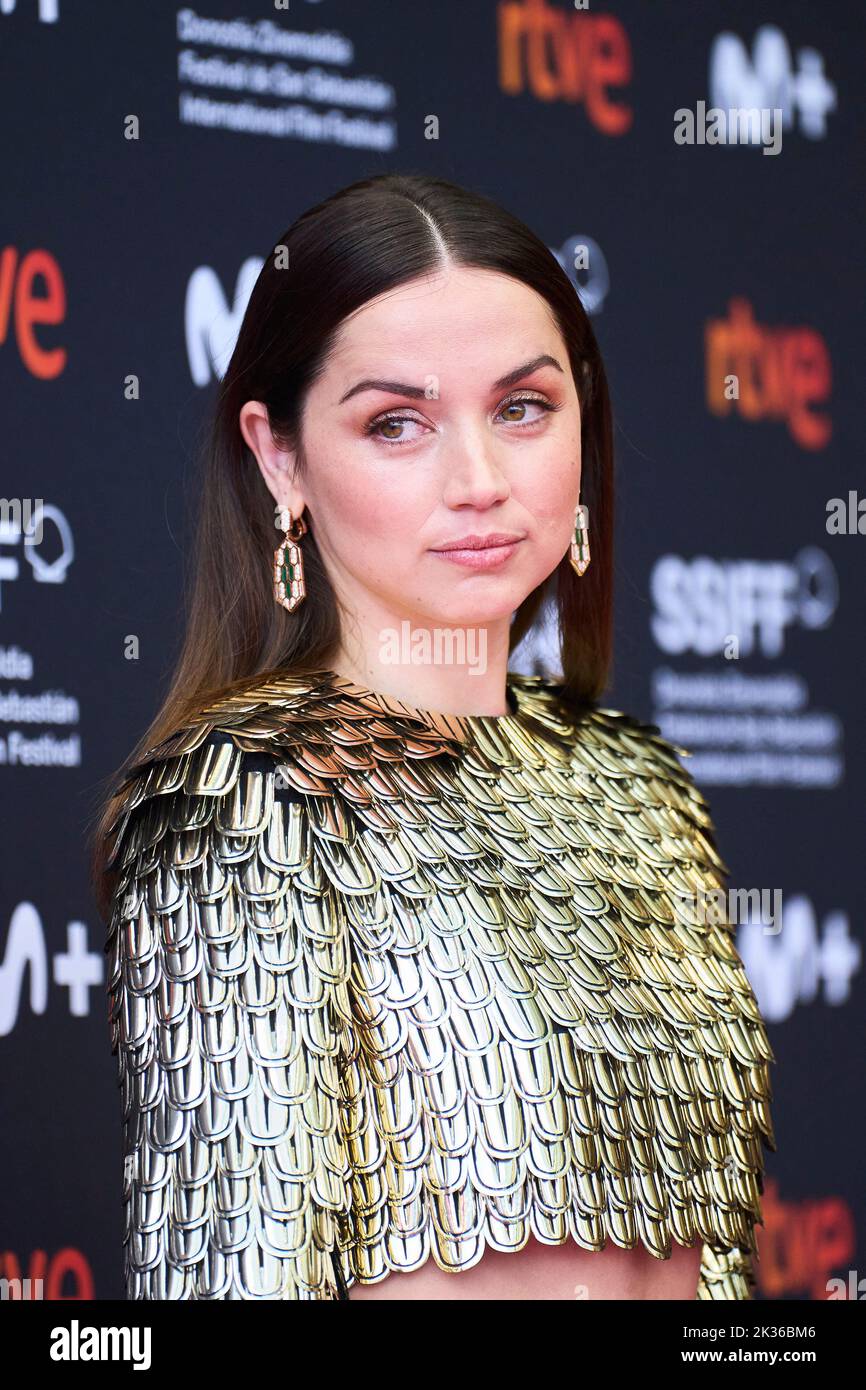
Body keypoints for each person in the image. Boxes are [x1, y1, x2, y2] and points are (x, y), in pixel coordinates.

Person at [89, 172, 775, 1301]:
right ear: (279, 457)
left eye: (521, 408)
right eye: (396, 422)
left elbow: (715, 1272)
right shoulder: (243, 800)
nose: (479, 482)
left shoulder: (643, 787)